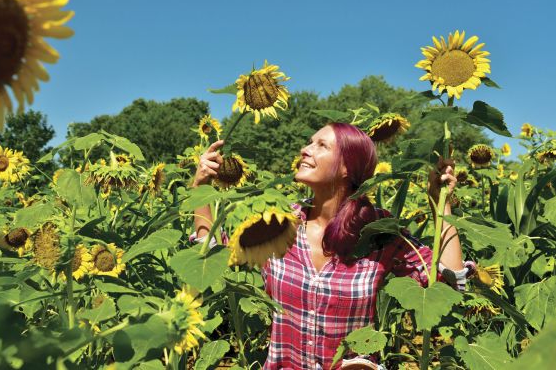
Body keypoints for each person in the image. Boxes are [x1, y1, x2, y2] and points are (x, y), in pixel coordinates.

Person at [191, 123, 475, 370]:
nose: (305, 149)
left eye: (321, 145)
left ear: (346, 167)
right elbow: (212, 254)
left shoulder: (377, 232)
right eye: (309, 142)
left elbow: (449, 283)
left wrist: (442, 205)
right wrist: (200, 187)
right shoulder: (279, 223)